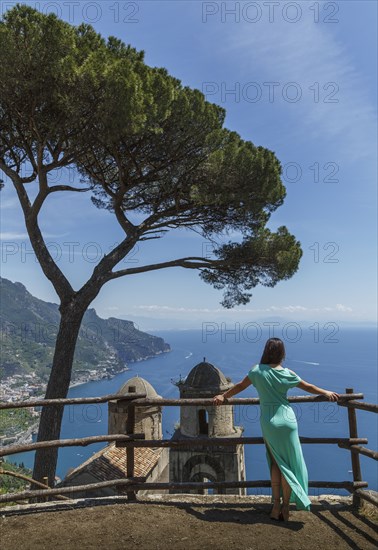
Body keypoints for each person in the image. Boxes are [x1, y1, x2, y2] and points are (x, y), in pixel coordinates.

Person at [213, 337, 340, 521]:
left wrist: (223, 396)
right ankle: (287, 508)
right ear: (282, 354)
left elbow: (240, 386)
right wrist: (326, 392)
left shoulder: (257, 371)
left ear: (265, 351)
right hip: (288, 422)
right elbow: (308, 387)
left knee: (276, 464)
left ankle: (275, 506)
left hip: (269, 422)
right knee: (288, 465)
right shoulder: (287, 373)